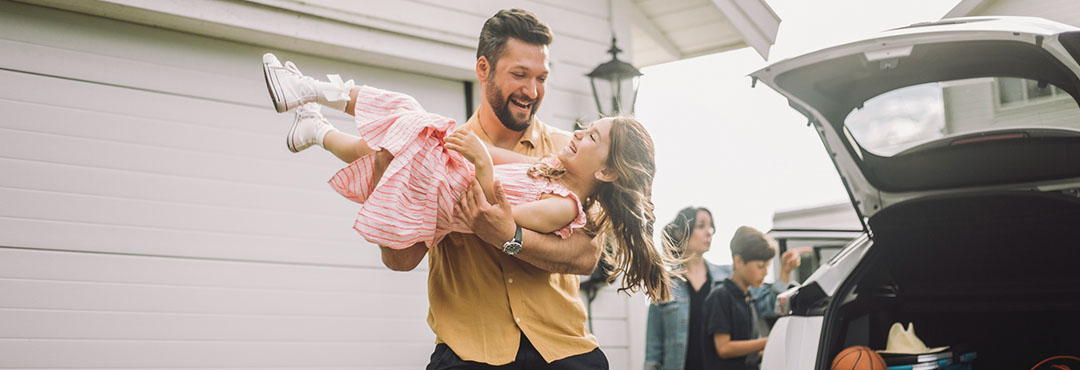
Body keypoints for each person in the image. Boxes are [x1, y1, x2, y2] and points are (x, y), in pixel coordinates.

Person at [261, 9, 670, 369]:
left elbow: (584, 256)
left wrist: (509, 239)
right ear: (483, 69)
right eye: (519, 75)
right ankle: (317, 122)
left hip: (561, 351)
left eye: (541, 77)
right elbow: (400, 261)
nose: (532, 90)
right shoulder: (461, 147)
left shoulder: (569, 154)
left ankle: (317, 114)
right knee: (397, 131)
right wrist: (393, 176)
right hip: (470, 355)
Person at [644, 208, 797, 370]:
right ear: (680, 233)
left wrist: (785, 272)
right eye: (701, 226)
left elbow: (769, 304)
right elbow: (654, 350)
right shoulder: (665, 285)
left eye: (711, 227)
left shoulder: (729, 277)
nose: (709, 232)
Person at [703, 226, 780, 370]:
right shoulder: (720, 296)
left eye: (767, 266)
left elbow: (748, 353)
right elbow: (724, 348)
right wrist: (769, 341)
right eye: (760, 266)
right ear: (738, 261)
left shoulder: (748, 298)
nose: (765, 272)